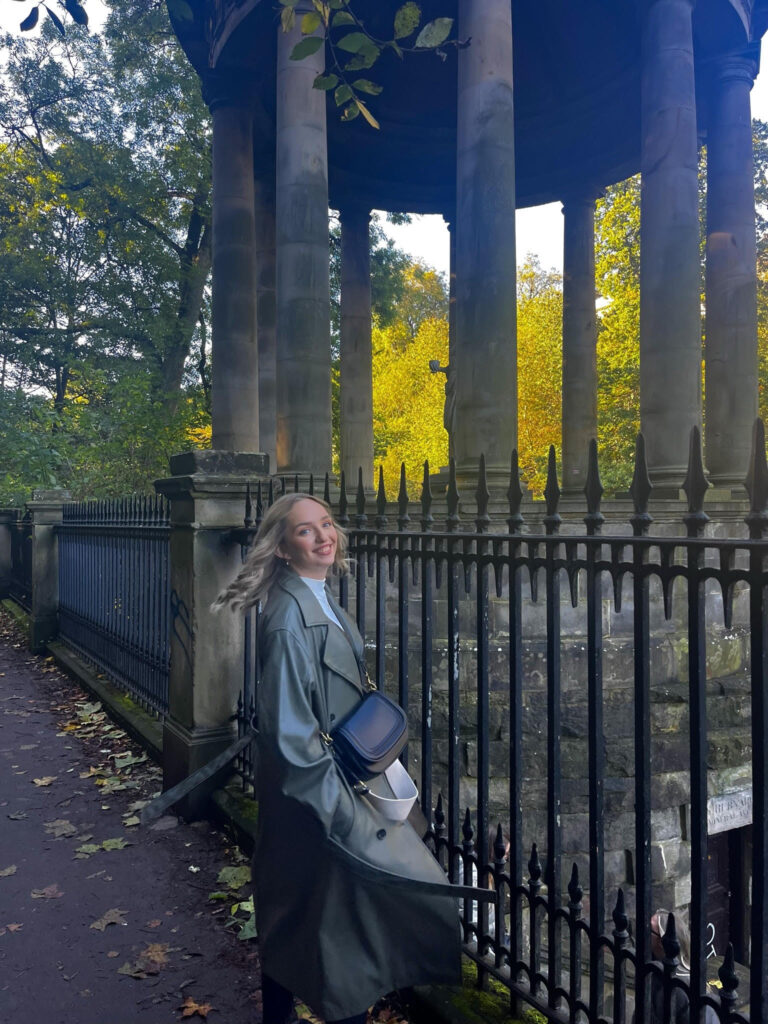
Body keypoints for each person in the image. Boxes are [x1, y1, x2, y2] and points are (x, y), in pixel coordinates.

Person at [214, 494, 461, 1024]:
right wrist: (342, 815)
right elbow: (290, 733)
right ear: (282, 547)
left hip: (332, 787)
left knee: (299, 914)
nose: (324, 536)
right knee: (338, 931)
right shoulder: (289, 619)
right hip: (324, 797)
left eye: (326, 524)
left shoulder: (316, 596)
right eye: (306, 530)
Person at [633, 910, 717, 1024]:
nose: (643, 930)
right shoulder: (653, 966)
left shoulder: (681, 987)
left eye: (649, 929)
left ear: (662, 943)